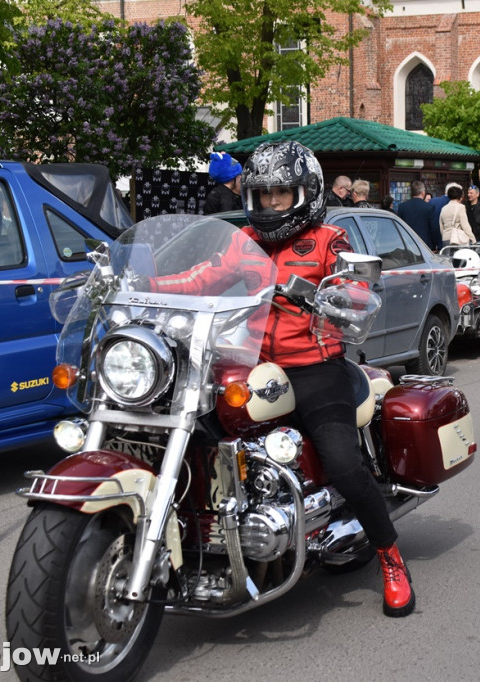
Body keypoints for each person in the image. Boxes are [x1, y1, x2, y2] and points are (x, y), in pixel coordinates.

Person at [146, 141, 415, 618]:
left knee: (343, 462)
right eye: (262, 194)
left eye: (280, 194)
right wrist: (147, 282)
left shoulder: (329, 240)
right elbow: (201, 277)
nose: (269, 204)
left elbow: (353, 287)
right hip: (249, 364)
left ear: (305, 194)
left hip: (314, 366)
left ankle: (390, 557)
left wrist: (341, 297)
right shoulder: (242, 241)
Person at [396, 180, 441, 251]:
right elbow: (433, 228)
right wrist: (435, 244)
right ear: (423, 193)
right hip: (425, 244)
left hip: (407, 244)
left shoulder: (402, 207)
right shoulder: (429, 207)